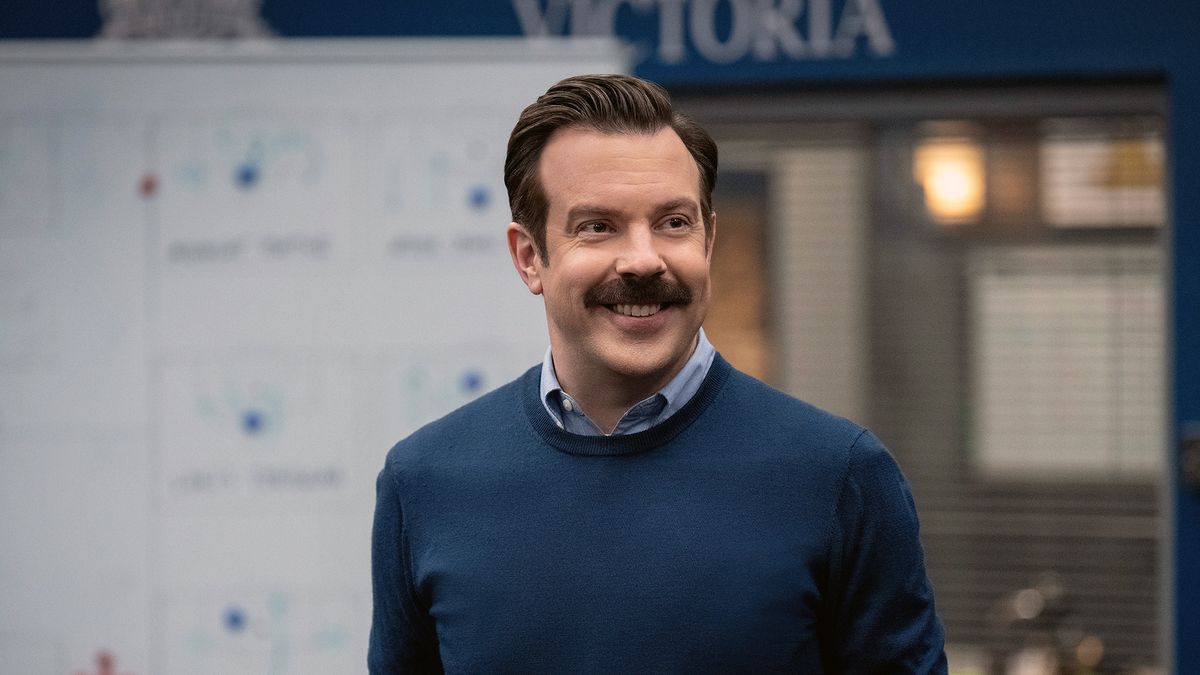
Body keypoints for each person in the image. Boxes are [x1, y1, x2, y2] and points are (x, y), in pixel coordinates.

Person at [369, 73, 946, 674]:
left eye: (674, 222)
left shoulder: (840, 477)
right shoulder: (426, 483)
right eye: (597, 226)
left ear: (710, 237)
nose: (644, 260)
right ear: (529, 257)